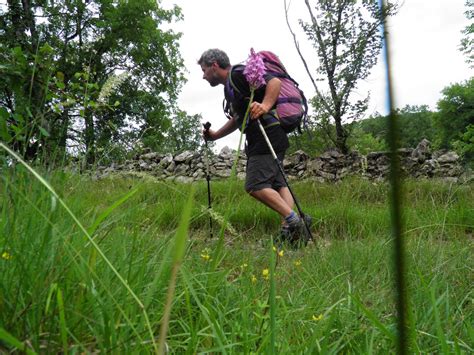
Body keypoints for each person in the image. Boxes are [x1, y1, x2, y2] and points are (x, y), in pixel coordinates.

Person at [198, 48, 310, 245]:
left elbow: (274, 82)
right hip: (274, 134)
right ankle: (289, 232)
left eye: (204, 70)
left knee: (255, 185)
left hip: (265, 134)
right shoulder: (230, 86)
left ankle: (296, 223)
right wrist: (215, 136)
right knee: (277, 184)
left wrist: (265, 106)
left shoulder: (238, 72)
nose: (203, 76)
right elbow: (238, 119)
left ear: (215, 65)